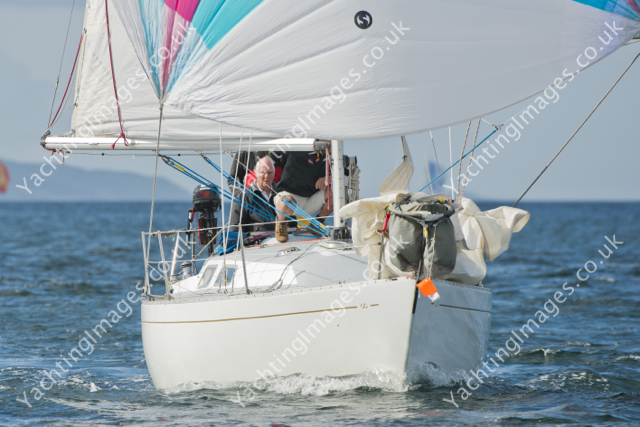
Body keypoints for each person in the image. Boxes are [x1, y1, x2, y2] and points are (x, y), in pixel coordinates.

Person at [273, 150, 333, 242]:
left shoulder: (335, 158)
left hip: (312, 199)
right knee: (285, 203)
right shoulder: (303, 149)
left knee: (338, 191)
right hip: (291, 195)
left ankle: (316, 224)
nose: (329, 144)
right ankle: (281, 223)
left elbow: (345, 174)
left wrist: (330, 178)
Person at [228, 157, 277, 232]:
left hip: (285, 239)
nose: (266, 176)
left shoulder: (281, 194)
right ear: (256, 173)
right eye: (263, 172)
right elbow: (235, 228)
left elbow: (292, 222)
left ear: (274, 173)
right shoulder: (244, 197)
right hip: (258, 239)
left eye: (270, 172)